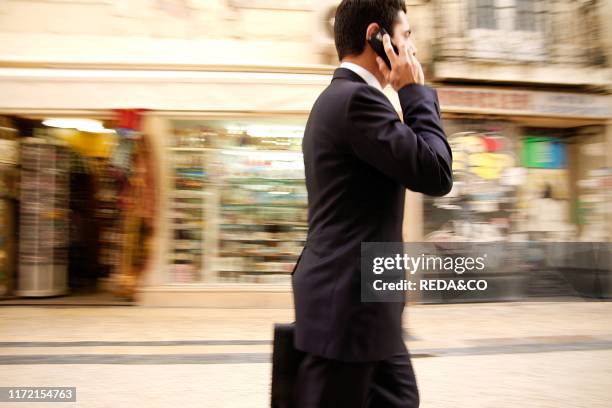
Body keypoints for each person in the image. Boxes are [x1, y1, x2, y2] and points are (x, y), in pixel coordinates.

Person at [291, 0, 453, 406]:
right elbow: (435, 172)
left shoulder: (343, 100)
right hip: (348, 311)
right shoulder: (357, 102)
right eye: (406, 37)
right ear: (376, 37)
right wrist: (413, 93)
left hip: (366, 305)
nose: (412, 50)